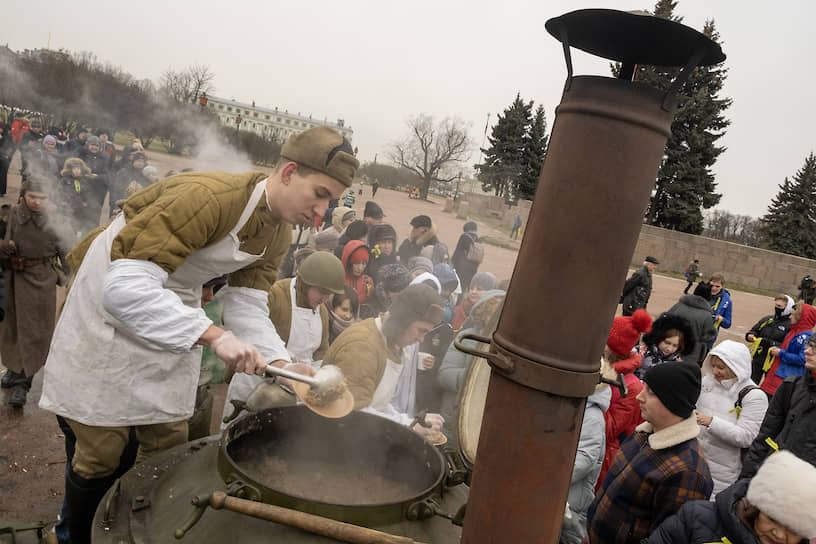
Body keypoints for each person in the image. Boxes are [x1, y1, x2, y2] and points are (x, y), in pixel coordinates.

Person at [38, 126, 358, 544]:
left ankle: (136, 535)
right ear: (289, 172)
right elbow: (125, 288)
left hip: (176, 310)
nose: (321, 212)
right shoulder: (208, 197)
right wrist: (212, 335)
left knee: (168, 441)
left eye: (330, 202)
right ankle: (73, 535)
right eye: (319, 194)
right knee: (101, 453)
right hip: (108, 309)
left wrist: (278, 362)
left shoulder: (276, 230)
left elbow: (247, 303)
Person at [587, 362, 713, 544]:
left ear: (673, 402)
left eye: (651, 393)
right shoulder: (643, 434)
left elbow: (668, 538)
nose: (639, 396)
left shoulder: (689, 473)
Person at [221, 251, 345, 425]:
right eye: (322, 292)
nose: (325, 299)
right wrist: (280, 357)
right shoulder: (275, 294)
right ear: (303, 282)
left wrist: (321, 379)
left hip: (292, 390)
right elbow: (242, 327)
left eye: (330, 294)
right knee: (239, 432)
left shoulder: (322, 310)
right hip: (255, 382)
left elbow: (320, 351)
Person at [321, 283, 445, 437]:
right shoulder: (362, 346)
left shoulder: (389, 343)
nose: (421, 339)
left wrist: (409, 421)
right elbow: (354, 412)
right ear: (402, 320)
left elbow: (379, 405)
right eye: (421, 331)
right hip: (331, 435)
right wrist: (407, 426)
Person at [645, 450, 816, 544]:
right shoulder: (695, 518)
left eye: (793, 529)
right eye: (772, 518)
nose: (778, 534)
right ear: (756, 507)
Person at [0, 180, 69, 407]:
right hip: (12, 279)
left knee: (34, 332)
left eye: (42, 197)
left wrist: (73, 281)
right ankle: (13, 370)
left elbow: (67, 253)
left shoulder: (56, 220)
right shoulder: (8, 215)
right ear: (23, 196)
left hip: (40, 282)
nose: (37, 202)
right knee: (12, 329)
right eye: (32, 196)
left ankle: (23, 383)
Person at [694, 341, 768, 498]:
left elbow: (746, 437)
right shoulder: (707, 383)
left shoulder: (754, 396)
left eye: (721, 368)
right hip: (694, 460)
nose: (715, 371)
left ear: (737, 367)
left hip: (723, 472)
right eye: (712, 365)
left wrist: (711, 422)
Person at [740, 335, 816, 479]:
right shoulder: (791, 387)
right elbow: (765, 437)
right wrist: (746, 480)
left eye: (815, 348)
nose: (807, 351)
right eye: (809, 345)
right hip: (774, 478)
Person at [437, 290, 505, 446]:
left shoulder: (509, 348)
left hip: (485, 426)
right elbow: (444, 375)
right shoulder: (467, 338)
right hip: (455, 420)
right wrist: (478, 380)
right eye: (492, 315)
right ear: (483, 315)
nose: (498, 321)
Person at [560, 360, 614, 544]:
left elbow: (585, 458)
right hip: (563, 490)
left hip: (573, 496)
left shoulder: (592, 416)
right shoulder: (577, 408)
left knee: (570, 535)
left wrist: (551, 473)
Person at [598, 310, 652, 490]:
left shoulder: (631, 387)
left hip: (605, 458)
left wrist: (591, 399)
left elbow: (609, 429)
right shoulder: (602, 370)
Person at [759, 302, 815, 398]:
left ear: (801, 317)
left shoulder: (807, 337)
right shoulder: (793, 331)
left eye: (793, 314)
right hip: (776, 374)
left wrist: (781, 353)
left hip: (786, 378)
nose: (790, 317)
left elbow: (802, 359)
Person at [746, 294, 794, 384]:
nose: (777, 308)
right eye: (776, 305)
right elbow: (754, 330)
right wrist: (750, 335)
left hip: (774, 362)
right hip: (758, 359)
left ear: (787, 308)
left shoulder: (790, 325)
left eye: (780, 306)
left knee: (768, 388)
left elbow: (788, 345)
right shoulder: (768, 319)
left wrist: (770, 343)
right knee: (750, 383)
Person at [666, 282, 717, 366]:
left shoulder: (679, 305)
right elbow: (709, 335)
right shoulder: (706, 314)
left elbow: (665, 320)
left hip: (671, 347)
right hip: (691, 353)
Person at [635, 313, 696, 379]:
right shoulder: (639, 352)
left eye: (675, 346)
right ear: (658, 337)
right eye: (667, 343)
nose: (669, 349)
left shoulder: (678, 365)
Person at [451, 221, 482, 292]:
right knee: (464, 287)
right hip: (472, 268)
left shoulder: (464, 236)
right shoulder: (478, 239)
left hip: (462, 266)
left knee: (457, 287)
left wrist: (452, 263)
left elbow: (457, 251)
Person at [341, 239, 373, 305]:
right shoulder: (338, 281)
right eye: (356, 263)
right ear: (348, 262)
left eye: (363, 264)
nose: (360, 268)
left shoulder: (368, 282)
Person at [708, 273, 732, 344]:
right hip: (692, 334)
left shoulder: (727, 301)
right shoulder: (702, 294)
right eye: (711, 285)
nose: (713, 288)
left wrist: (721, 319)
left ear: (722, 286)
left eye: (717, 286)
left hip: (708, 338)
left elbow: (728, 324)